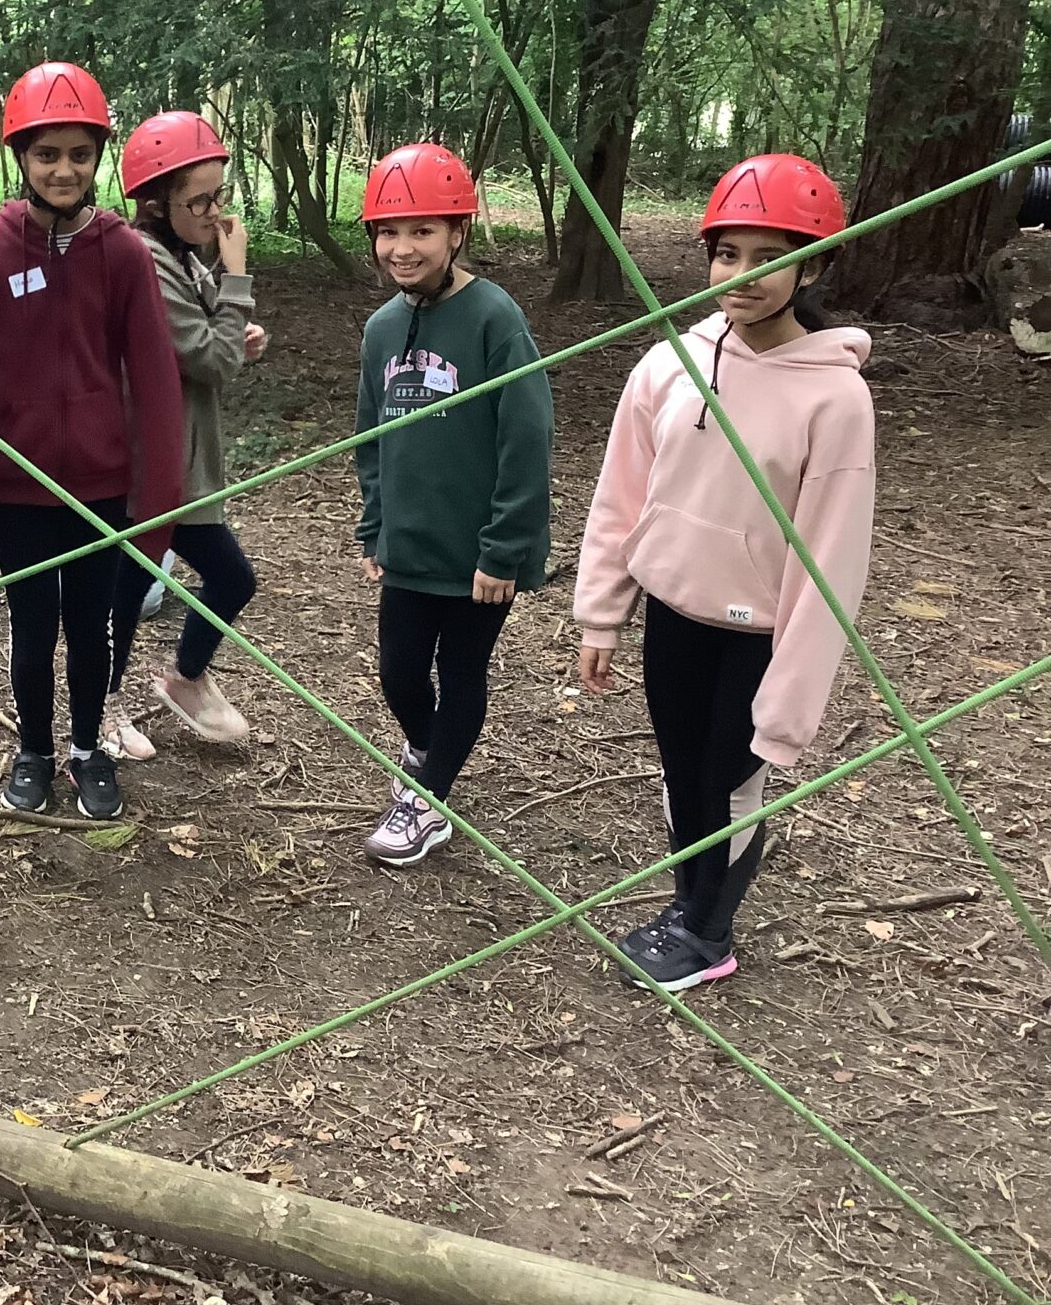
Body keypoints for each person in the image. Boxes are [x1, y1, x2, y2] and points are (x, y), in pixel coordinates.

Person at [577, 154, 871, 991]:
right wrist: (604, 613)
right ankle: (689, 907)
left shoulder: (835, 399)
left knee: (731, 782)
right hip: (675, 610)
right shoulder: (671, 359)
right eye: (726, 252)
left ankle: (708, 932)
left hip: (759, 633)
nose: (741, 276)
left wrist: (790, 703)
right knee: (682, 775)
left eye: (767, 255)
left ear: (810, 263)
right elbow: (621, 492)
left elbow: (831, 559)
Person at [0, 61, 184, 820]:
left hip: (102, 486)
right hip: (17, 493)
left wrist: (157, 507)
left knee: (93, 627)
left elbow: (154, 385)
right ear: (20, 158)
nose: (64, 169)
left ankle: (87, 750)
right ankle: (35, 749)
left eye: (80, 154)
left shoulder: (123, 254)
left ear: (98, 158)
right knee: (32, 626)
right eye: (48, 154)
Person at [354, 143, 553, 867]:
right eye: (388, 232)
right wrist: (375, 525)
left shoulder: (495, 319)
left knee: (462, 673)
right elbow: (370, 437)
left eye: (422, 231)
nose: (402, 249)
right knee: (399, 673)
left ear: (458, 232)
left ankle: (427, 799)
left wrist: (505, 546)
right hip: (409, 545)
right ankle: (429, 750)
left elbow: (526, 439)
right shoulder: (381, 329)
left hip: (479, 554)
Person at [103, 112, 269, 760]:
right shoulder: (148, 261)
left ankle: (185, 678)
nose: (213, 211)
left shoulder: (180, 257)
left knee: (225, 579)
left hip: (183, 458)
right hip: (151, 464)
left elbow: (209, 347)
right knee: (127, 592)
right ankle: (103, 711)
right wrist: (237, 281)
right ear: (156, 203)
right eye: (199, 199)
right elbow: (210, 359)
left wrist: (235, 330)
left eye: (219, 194)